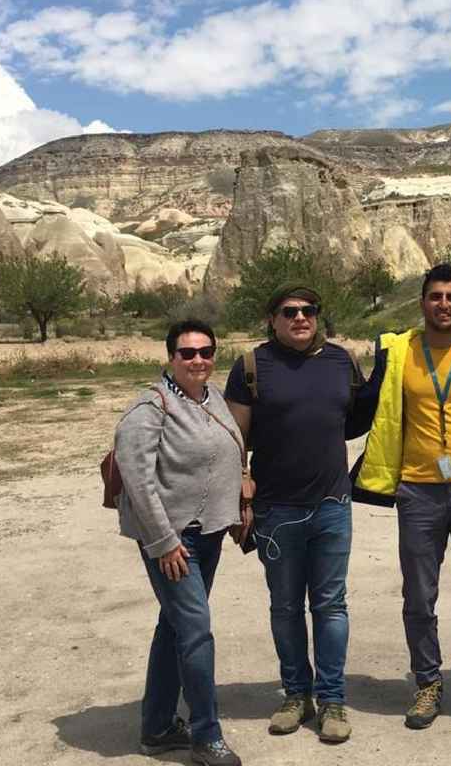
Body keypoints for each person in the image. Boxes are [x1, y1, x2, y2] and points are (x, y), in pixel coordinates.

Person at [224, 286, 382, 745]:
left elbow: (352, 421)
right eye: (289, 312)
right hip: (277, 509)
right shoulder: (252, 366)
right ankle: (296, 695)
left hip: (333, 505)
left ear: (318, 316)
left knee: (331, 606)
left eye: (308, 310)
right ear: (272, 319)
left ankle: (332, 699)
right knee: (286, 607)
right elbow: (235, 438)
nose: (300, 318)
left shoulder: (341, 361)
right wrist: (242, 488)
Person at [353, 263, 451, 734]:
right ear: (422, 302)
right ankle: (428, 682)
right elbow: (360, 404)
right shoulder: (398, 351)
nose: (444, 305)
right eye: (435, 296)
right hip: (417, 490)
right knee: (419, 595)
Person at [114, 318, 250, 766]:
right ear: (170, 357)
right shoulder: (149, 408)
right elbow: (137, 480)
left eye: (205, 351)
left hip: (207, 532)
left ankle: (156, 728)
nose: (198, 360)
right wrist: (163, 542)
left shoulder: (212, 400)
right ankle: (205, 736)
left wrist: (239, 500)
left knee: (174, 627)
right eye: (187, 353)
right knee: (195, 632)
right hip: (173, 539)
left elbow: (227, 453)